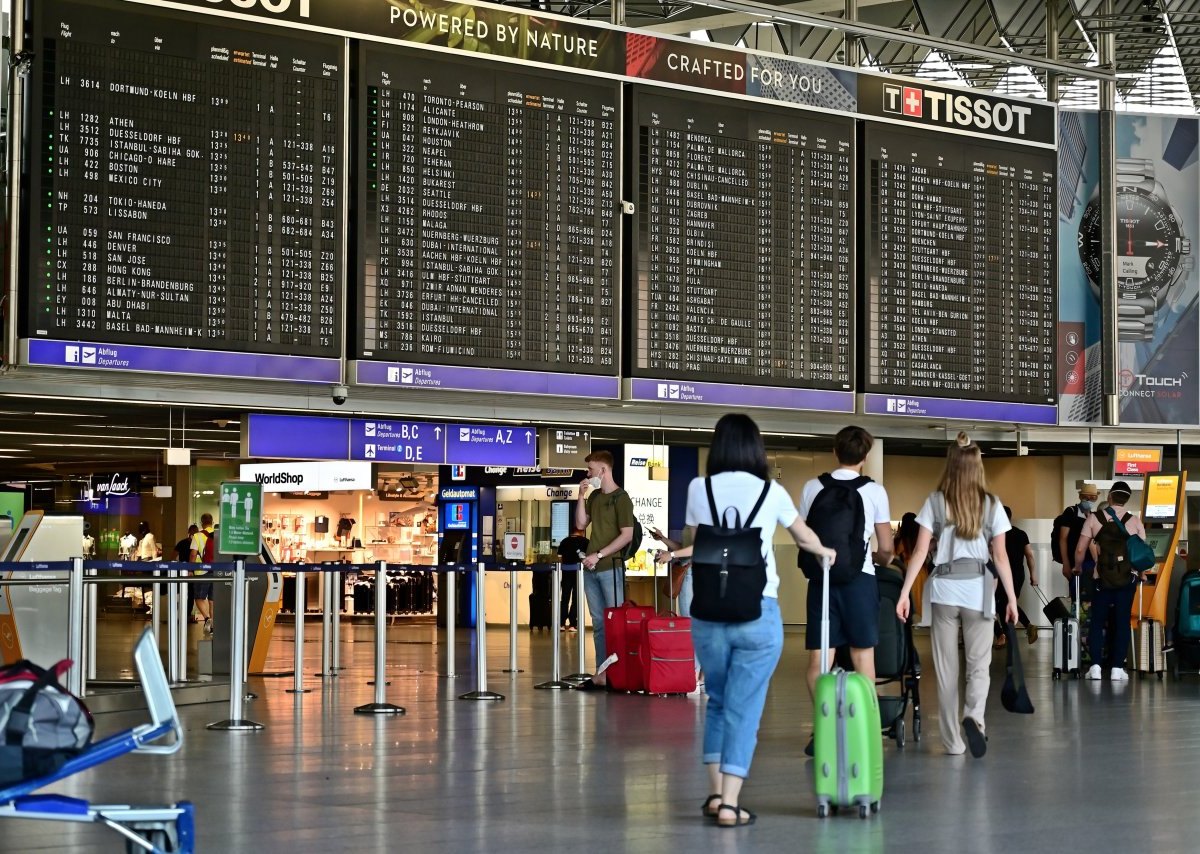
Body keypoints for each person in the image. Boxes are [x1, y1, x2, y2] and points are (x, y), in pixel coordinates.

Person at [654, 413, 835, 827]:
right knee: (745, 710)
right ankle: (732, 805)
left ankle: (717, 796)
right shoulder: (772, 491)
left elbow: (696, 541)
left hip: (710, 611)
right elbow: (804, 536)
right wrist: (826, 553)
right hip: (758, 610)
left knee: (718, 701)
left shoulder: (700, 488)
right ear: (755, 448)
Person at [897, 433, 1019, 758]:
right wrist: (1011, 598)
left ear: (950, 464)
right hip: (979, 589)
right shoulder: (992, 504)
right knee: (979, 664)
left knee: (947, 669)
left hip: (944, 590)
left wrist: (905, 593)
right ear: (978, 467)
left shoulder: (935, 501)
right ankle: (974, 719)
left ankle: (953, 743)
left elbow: (920, 551)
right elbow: (1002, 557)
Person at [797, 425, 893, 756]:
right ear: (865, 457)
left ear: (835, 452)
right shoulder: (875, 492)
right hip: (860, 579)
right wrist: (878, 557)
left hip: (821, 579)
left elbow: (802, 534)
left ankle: (825, 725)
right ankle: (864, 729)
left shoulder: (812, 487)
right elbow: (887, 547)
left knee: (820, 659)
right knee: (862, 656)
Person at [574, 451, 635, 688]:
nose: (588, 474)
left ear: (603, 470)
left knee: (616, 623)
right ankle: (603, 673)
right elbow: (580, 524)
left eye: (591, 470)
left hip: (610, 567)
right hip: (592, 568)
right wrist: (581, 496)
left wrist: (599, 555)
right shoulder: (595, 497)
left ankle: (618, 672)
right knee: (599, 623)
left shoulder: (621, 498)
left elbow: (627, 534)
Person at [1074, 481, 1145, 681]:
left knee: (1097, 621)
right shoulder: (1135, 521)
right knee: (1122, 622)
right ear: (1127, 499)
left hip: (1101, 579)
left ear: (1110, 497)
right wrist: (1142, 573)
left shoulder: (1093, 519)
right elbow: (1140, 554)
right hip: (1126, 579)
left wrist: (1078, 567)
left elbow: (1080, 549)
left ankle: (1095, 667)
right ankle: (1116, 669)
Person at [650, 525, 703, 694]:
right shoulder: (693, 518)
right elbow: (685, 548)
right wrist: (663, 539)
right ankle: (698, 675)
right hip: (690, 571)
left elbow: (698, 548)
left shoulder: (700, 516)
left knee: (691, 625)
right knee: (694, 625)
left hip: (694, 573)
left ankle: (695, 675)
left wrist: (670, 555)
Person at [994, 506, 1038, 647]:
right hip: (1018, 574)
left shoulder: (995, 535)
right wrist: (1033, 575)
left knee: (999, 605)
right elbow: (1029, 555)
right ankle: (1007, 634)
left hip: (1001, 574)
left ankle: (1018, 629)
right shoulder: (1021, 533)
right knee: (1004, 604)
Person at [1056, 483, 1100, 603]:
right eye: (1087, 497)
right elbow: (1062, 538)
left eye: (1093, 498)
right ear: (1080, 497)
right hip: (1075, 562)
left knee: (1090, 596)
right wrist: (1065, 563)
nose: (1090, 500)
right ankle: (1077, 619)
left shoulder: (1092, 515)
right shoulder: (1071, 512)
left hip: (1090, 562)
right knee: (1077, 595)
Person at [555, 529, 588, 630]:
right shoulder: (586, 541)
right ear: (582, 532)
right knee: (576, 599)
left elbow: (559, 558)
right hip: (579, 574)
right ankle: (573, 624)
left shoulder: (564, 541)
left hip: (566, 574)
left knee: (564, 598)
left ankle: (561, 623)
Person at [189, 513, 215, 635]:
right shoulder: (218, 534)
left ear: (201, 522)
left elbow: (193, 554)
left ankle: (206, 618)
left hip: (201, 571)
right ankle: (213, 624)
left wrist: (190, 569)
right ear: (212, 522)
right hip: (216, 570)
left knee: (199, 598)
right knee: (212, 599)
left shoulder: (197, 536)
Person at [134, 521, 158, 615]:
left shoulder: (150, 536)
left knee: (149, 584)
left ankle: (151, 605)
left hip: (149, 561)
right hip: (142, 561)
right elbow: (139, 552)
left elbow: (154, 550)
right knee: (142, 584)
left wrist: (155, 564)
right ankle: (144, 604)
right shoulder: (142, 539)